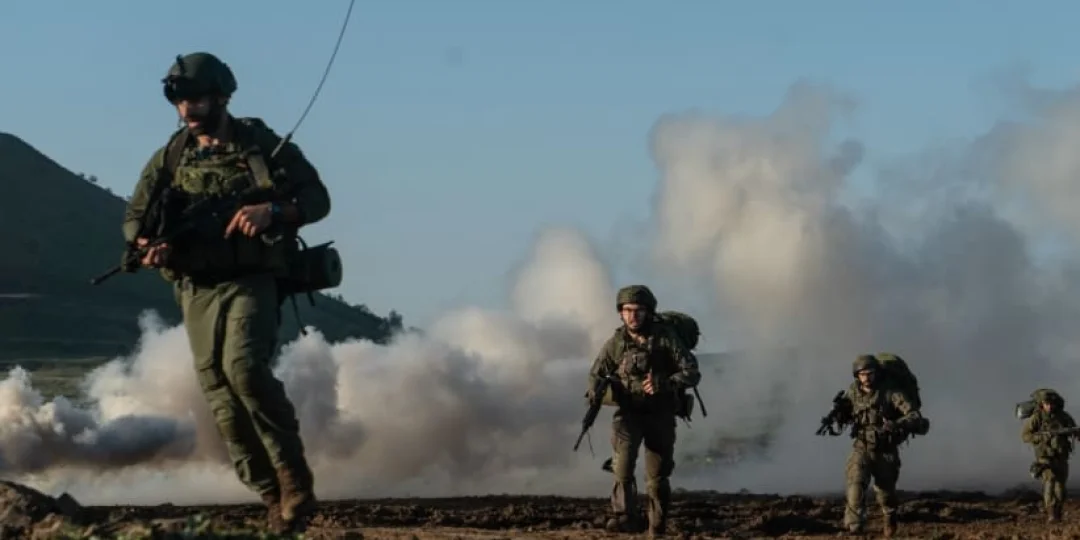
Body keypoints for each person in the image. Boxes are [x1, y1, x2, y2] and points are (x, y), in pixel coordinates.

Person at [121, 51, 331, 533]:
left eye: (196, 99)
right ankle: (270, 493)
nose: (188, 110)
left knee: (244, 369)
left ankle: (293, 477)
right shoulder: (172, 156)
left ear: (221, 98)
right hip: (196, 286)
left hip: (251, 278)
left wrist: (272, 212)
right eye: (180, 101)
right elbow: (135, 216)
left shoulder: (259, 145)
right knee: (218, 390)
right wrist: (148, 245)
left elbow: (317, 199)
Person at [586, 285, 701, 536]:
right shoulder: (617, 342)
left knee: (657, 477)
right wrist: (595, 392)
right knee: (622, 467)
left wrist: (666, 382)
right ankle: (625, 516)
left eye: (638, 310)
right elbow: (596, 372)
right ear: (620, 313)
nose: (632, 316)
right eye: (627, 310)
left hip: (660, 414)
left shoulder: (665, 338)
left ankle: (656, 527)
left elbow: (692, 372)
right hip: (629, 413)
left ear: (648, 312)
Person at [839, 354, 927, 537]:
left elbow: (913, 415)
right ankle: (855, 527)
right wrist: (839, 415)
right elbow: (846, 413)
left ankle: (889, 516)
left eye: (870, 373)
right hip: (862, 446)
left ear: (876, 373)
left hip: (885, 451)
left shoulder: (890, 393)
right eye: (862, 374)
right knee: (855, 484)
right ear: (857, 376)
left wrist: (897, 424)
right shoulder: (853, 393)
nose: (866, 378)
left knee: (885, 494)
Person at [1021, 388, 1078, 523]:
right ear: (1042, 404)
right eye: (1047, 404)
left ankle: (1057, 513)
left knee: (1060, 489)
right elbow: (1025, 436)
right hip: (1045, 457)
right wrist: (1041, 437)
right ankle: (1051, 514)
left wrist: (1076, 434)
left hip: (1061, 457)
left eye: (1051, 404)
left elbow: (1074, 429)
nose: (1050, 406)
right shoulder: (1037, 417)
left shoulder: (1063, 416)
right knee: (1049, 482)